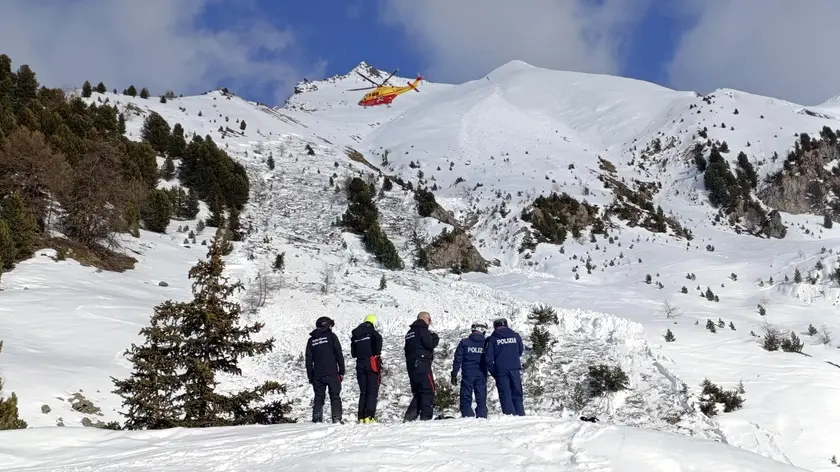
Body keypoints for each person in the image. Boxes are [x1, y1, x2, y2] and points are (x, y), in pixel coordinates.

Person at [305, 316, 345, 423]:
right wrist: (342, 371)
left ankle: (317, 420)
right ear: (327, 326)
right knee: (335, 396)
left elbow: (308, 360)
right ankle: (336, 418)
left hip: (317, 374)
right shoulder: (332, 337)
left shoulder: (311, 340)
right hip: (332, 372)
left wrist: (310, 376)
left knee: (318, 397)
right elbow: (339, 354)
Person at [484, 317, 525, 416]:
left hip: (500, 369)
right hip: (514, 368)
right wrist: (514, 359)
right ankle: (520, 415)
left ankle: (510, 416)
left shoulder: (492, 339)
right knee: (517, 392)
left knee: (505, 394)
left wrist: (493, 371)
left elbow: (488, 358)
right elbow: (520, 350)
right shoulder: (516, 336)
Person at [403, 311, 439, 421]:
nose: (430, 322)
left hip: (411, 366)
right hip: (422, 364)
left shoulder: (409, 333)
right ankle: (426, 418)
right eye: (429, 319)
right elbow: (429, 344)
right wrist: (435, 338)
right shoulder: (422, 330)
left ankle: (409, 417)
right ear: (424, 318)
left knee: (419, 392)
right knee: (428, 390)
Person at [451, 322, 489, 418]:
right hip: (481, 373)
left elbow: (458, 358)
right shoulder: (486, 343)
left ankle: (467, 416)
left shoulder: (464, 342)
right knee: (481, 397)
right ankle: (482, 416)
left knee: (466, 397)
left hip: (468, 374)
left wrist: (454, 373)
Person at [350, 313, 383, 423]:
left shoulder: (355, 335)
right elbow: (378, 341)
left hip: (359, 363)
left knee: (363, 392)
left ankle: (361, 417)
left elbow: (353, 353)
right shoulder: (372, 332)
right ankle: (369, 416)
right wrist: (376, 353)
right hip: (371, 362)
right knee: (372, 391)